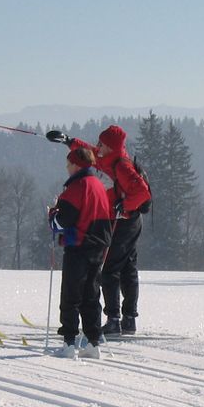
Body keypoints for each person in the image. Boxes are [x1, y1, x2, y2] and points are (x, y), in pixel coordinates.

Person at [46, 125, 151, 336]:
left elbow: (143, 193)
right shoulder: (110, 157)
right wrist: (68, 140)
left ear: (111, 147)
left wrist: (125, 206)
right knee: (128, 269)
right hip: (130, 223)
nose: (98, 145)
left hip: (123, 223)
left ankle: (114, 319)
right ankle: (129, 319)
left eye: (102, 143)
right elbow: (90, 151)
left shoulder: (121, 166)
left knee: (110, 270)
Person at [48, 147, 113, 359]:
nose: (67, 168)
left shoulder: (77, 187)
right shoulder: (99, 186)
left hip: (78, 246)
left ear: (76, 164)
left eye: (68, 164)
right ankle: (93, 343)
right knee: (91, 295)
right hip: (98, 247)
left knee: (71, 295)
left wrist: (52, 213)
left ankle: (68, 343)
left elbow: (62, 222)